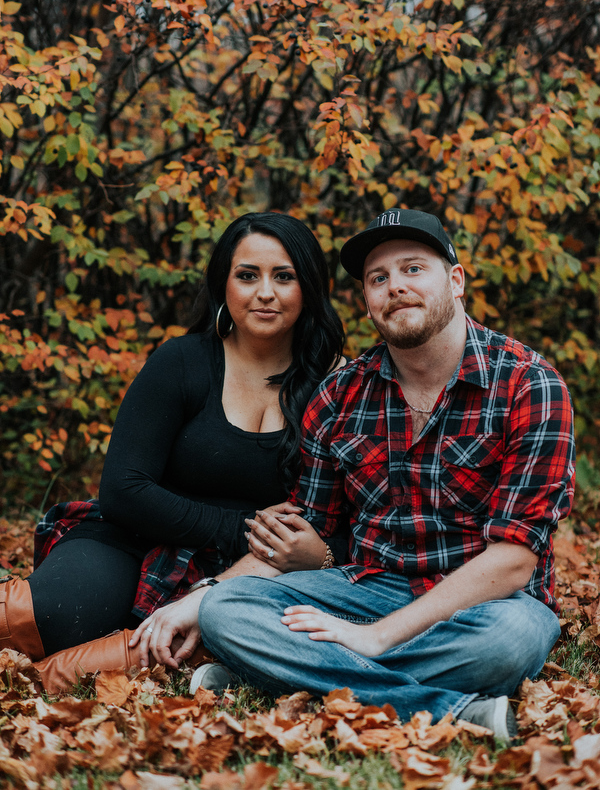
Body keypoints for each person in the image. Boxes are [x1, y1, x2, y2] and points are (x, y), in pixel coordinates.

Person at [194, 208, 575, 744]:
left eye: (414, 268)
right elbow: (313, 531)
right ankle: (452, 708)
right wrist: (204, 598)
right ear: (368, 299)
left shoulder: (530, 386)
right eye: (378, 278)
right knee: (228, 612)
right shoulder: (340, 395)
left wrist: (375, 639)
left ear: (456, 280)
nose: (396, 287)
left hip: (486, 603)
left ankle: (280, 677)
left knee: (512, 640)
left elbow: (514, 560)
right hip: (366, 587)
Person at [0, 212, 345, 692]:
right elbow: (123, 490)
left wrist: (311, 554)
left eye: (283, 276)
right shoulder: (182, 361)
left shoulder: (337, 386)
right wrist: (244, 526)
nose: (265, 292)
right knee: (59, 612)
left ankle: (34, 685)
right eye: (247, 275)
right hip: (133, 536)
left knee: (158, 650)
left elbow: (340, 519)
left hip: (243, 573)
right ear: (223, 284)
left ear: (308, 286)